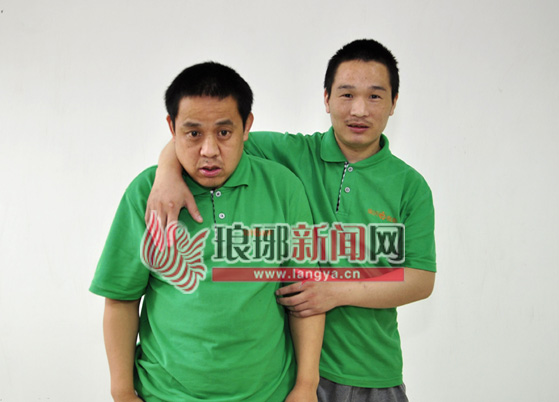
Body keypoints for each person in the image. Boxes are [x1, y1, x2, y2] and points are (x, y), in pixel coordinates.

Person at [147, 39, 436, 402]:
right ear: (326, 98)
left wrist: (334, 291)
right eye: (346, 94)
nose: (359, 109)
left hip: (374, 370)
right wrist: (166, 172)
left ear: (394, 103)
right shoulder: (293, 153)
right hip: (292, 376)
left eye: (375, 96)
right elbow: (210, 136)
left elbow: (420, 279)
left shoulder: (410, 185)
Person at [90, 62, 324, 402]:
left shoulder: (283, 188)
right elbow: (121, 298)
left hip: (268, 393)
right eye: (193, 133)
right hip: (166, 394)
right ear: (171, 128)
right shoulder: (147, 194)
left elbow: (305, 297)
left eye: (224, 133)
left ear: (247, 126)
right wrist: (122, 392)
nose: (209, 150)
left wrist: (305, 386)